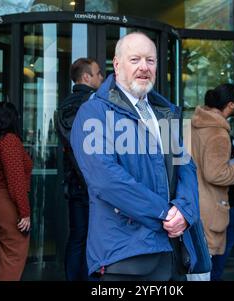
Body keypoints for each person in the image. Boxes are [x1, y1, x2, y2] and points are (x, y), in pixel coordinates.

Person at [70, 32, 201, 281]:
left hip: (172, 254)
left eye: (150, 61)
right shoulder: (93, 112)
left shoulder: (163, 112)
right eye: (135, 59)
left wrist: (185, 211)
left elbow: (185, 166)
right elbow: (106, 180)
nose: (144, 67)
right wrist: (165, 214)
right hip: (125, 257)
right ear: (117, 65)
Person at [190, 84, 234, 281]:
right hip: (211, 205)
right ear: (230, 105)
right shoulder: (218, 133)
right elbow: (215, 174)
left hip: (194, 200)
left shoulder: (196, 124)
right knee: (211, 262)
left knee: (198, 260)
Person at [56, 57, 104, 281]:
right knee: (92, 238)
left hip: (75, 184)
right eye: (97, 74)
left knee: (77, 237)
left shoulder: (64, 104)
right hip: (91, 185)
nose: (101, 78)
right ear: (86, 77)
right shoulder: (92, 103)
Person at [0, 101, 33, 281]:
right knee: (14, 252)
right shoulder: (9, 140)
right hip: (3, 201)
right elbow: (16, 180)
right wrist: (24, 213)